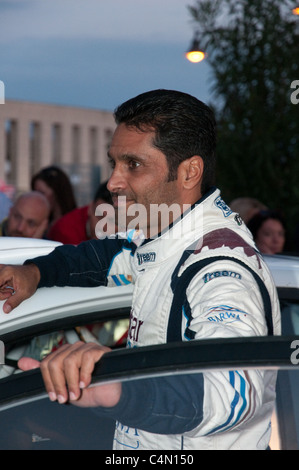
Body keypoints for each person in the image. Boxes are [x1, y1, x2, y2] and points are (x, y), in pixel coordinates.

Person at [0, 89, 281, 450]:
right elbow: (104, 257)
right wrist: (33, 273)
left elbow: (233, 393)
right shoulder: (163, 238)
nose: (114, 182)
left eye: (133, 164)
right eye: (114, 163)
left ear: (189, 172)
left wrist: (116, 386)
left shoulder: (221, 266)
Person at [47, 181, 113, 245]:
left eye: (112, 221)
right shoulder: (65, 233)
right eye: (100, 218)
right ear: (90, 208)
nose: (104, 228)